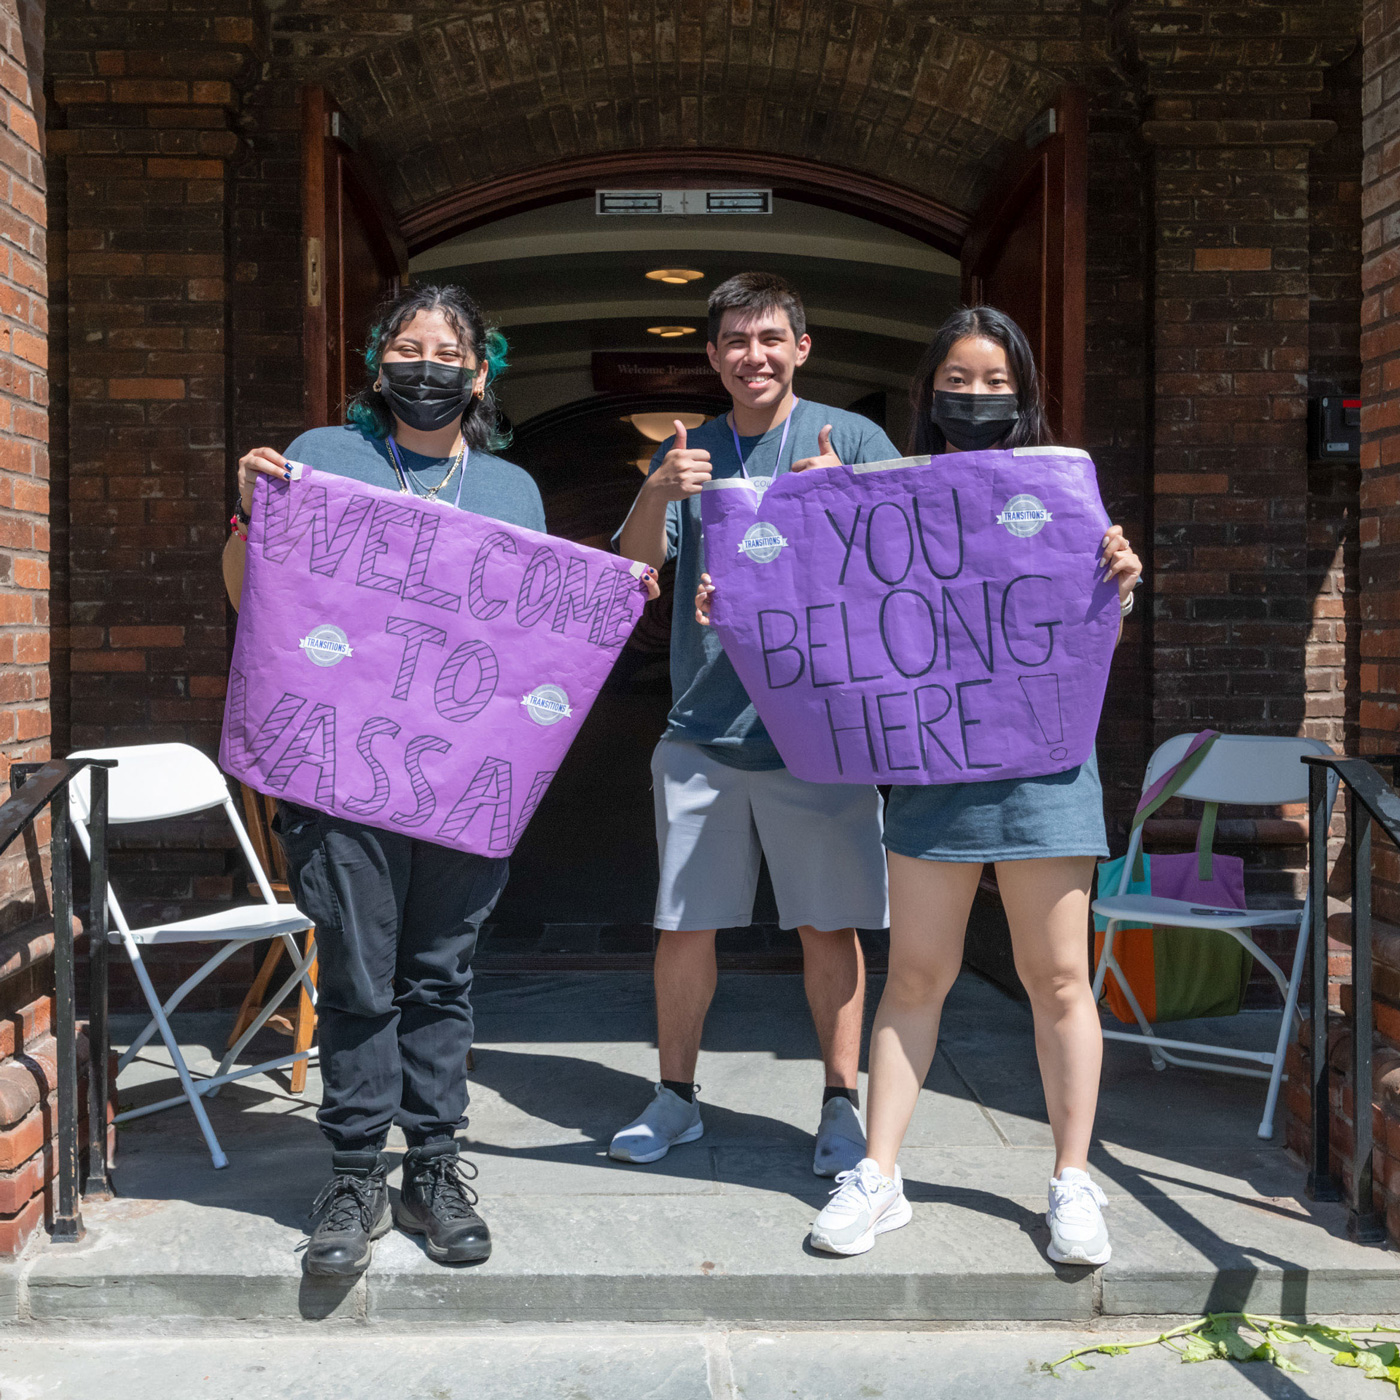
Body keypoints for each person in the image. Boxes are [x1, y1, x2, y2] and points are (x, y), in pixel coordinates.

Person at [223, 282, 659, 1277]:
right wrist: (251, 516)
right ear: (379, 363)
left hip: (459, 780)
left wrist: (605, 594)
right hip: (339, 770)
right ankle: (350, 1171)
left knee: (439, 977)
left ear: (480, 370)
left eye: (447, 351)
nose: (427, 365)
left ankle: (434, 1164)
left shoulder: (510, 491)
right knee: (361, 976)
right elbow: (254, 603)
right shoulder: (322, 460)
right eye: (406, 348)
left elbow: (529, 636)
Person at [796, 305, 1143, 1265]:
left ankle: (1074, 1180)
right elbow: (827, 602)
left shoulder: (1061, 490)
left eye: (996, 382)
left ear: (1024, 395)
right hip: (930, 765)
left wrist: (1121, 573)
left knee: (1061, 978)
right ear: (930, 392)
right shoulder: (881, 495)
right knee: (915, 976)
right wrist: (818, 516)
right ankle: (881, 1176)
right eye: (959, 379)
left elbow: (1090, 612)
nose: (976, 396)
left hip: (1046, 768)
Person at [610, 272, 894, 1177]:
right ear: (712, 356)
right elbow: (630, 569)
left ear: (802, 348)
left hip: (824, 729)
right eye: (735, 340)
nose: (753, 355)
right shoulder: (690, 450)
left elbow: (913, 564)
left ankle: (841, 1106)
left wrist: (854, 496)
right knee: (685, 923)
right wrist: (659, 492)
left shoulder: (849, 437)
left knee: (828, 922)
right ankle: (675, 1097)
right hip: (703, 725)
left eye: (770, 338)